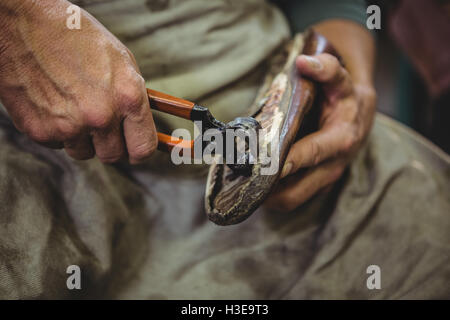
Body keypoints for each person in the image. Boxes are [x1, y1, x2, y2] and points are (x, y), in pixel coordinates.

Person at [0, 0, 448, 299]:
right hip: (41, 144)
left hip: (278, 111)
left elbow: (329, 5)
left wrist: (349, 77)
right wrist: (14, 23)